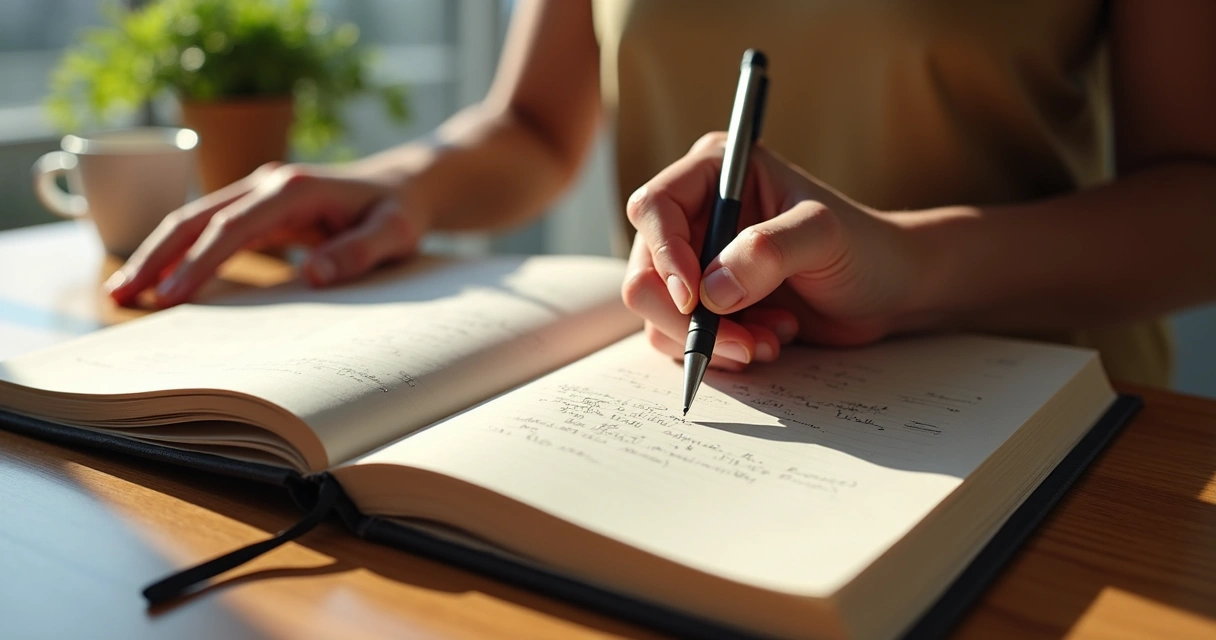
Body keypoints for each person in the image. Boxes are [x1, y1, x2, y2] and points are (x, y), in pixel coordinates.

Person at [105, 0, 1216, 387]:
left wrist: (909, 265)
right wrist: (403, 183)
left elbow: (1196, 202)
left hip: (1050, 420)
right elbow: (534, 124)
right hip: (723, 385)